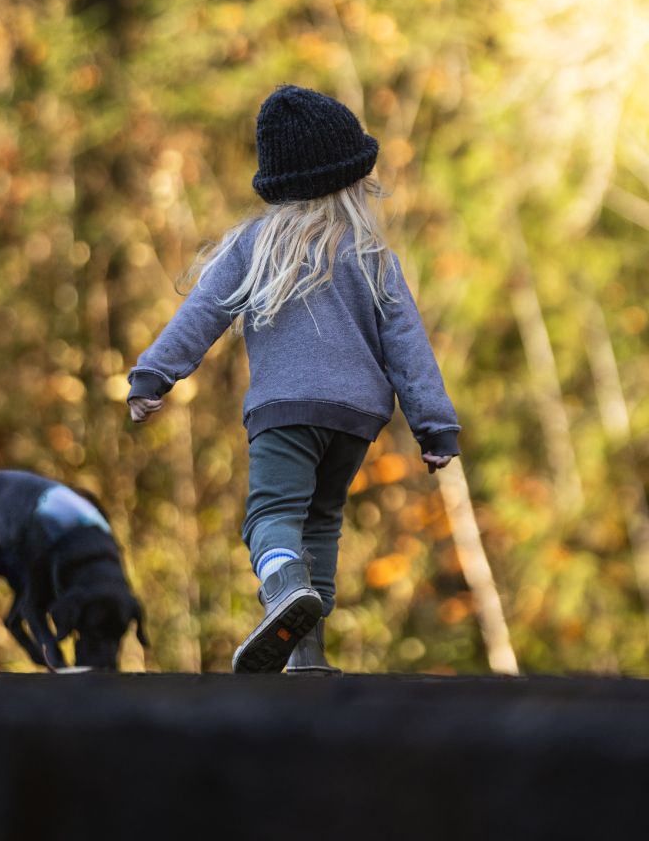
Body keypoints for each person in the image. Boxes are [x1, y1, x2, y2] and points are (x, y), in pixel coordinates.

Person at [127, 84, 461, 675]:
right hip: (356, 419)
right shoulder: (372, 254)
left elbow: (202, 312)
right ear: (352, 178)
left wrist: (155, 374)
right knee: (321, 522)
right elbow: (408, 345)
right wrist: (435, 428)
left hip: (287, 409)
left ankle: (282, 586)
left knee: (271, 518)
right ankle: (306, 655)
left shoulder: (256, 245)